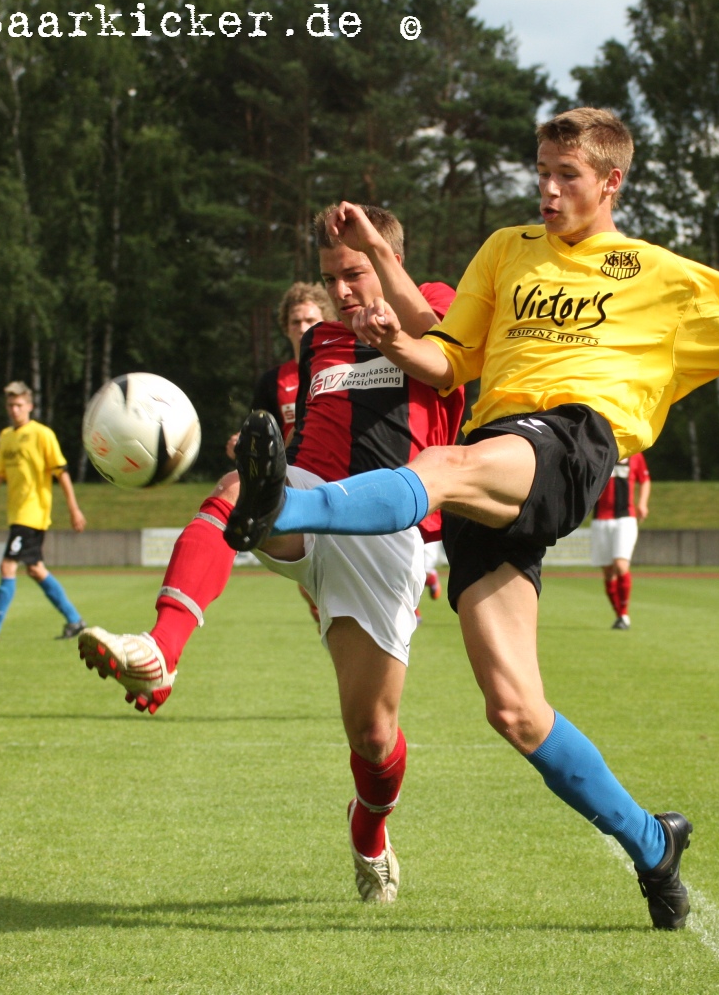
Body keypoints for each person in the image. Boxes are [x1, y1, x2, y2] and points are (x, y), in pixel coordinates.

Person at [224, 108, 719, 930]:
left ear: (610, 181)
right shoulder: (506, 251)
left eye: (566, 176)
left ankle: (281, 505)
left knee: (440, 470)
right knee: (514, 711)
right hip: (497, 463)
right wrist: (389, 322)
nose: (546, 190)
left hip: (568, 440)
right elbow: (448, 357)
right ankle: (653, 843)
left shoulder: (659, 274)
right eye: (540, 172)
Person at [78, 205, 464, 904]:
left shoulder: (435, 303)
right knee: (238, 493)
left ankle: (368, 828)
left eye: (354, 273)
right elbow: (315, 428)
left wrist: (395, 333)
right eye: (330, 277)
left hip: (386, 528)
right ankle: (161, 651)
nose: (341, 292)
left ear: (387, 260)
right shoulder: (318, 344)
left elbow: (446, 357)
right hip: (307, 500)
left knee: (373, 736)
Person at [0, 381, 87, 642]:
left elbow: (61, 473)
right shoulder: (6, 436)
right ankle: (75, 621)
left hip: (32, 513)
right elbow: (1, 473)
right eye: (10, 405)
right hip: (16, 513)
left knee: (8, 565)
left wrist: (74, 509)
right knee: (35, 569)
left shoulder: (42, 434)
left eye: (19, 404)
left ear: (29, 406)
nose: (14, 409)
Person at [224, 282, 333, 460]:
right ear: (286, 327)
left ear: (326, 323)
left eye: (310, 320)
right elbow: (258, 436)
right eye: (296, 322)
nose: (303, 328)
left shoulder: (344, 371)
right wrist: (241, 445)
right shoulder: (271, 381)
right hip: (291, 475)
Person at [591, 452, 650, 629]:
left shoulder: (635, 454)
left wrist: (643, 503)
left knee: (621, 565)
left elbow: (645, 479)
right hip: (600, 518)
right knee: (608, 572)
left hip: (625, 518)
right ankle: (620, 616)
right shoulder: (600, 450)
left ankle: (624, 614)